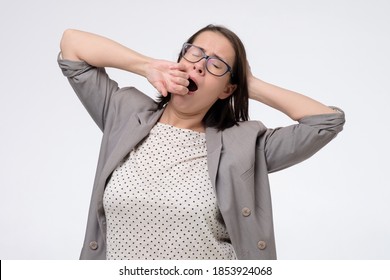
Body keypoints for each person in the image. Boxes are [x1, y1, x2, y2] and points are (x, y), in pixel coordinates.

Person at [58, 24, 345, 260]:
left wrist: (249, 84)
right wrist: (146, 66)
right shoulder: (124, 113)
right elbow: (72, 44)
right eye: (195, 53)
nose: (200, 66)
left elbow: (325, 121)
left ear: (227, 89)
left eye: (217, 65)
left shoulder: (243, 145)